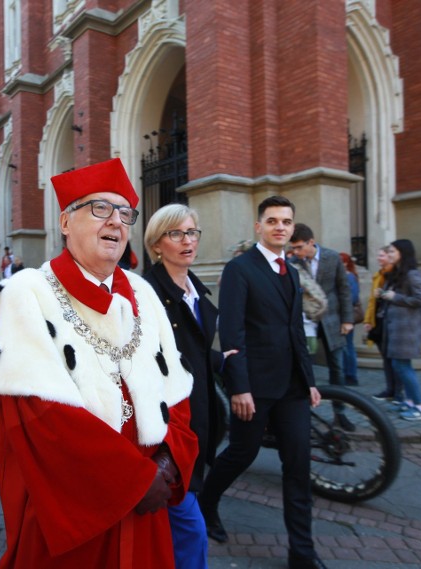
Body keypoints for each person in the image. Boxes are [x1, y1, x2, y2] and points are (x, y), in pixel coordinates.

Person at [0, 157, 199, 568]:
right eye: (100, 208)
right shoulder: (27, 293)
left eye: (124, 213)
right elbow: (38, 415)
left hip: (148, 503)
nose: (116, 222)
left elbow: (173, 389)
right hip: (74, 508)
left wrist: (166, 463)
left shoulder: (142, 293)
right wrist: (134, 482)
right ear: (66, 222)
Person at [198, 195, 328, 569]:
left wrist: (310, 380)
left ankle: (302, 552)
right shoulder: (241, 269)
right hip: (254, 386)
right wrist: (239, 387)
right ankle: (207, 501)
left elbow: (296, 331)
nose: (280, 228)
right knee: (242, 453)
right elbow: (232, 331)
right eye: (272, 221)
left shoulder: (290, 270)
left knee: (298, 465)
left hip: (293, 388)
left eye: (286, 222)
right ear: (260, 227)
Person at [143, 204, 236, 569]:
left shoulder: (196, 290)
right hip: (168, 429)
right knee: (190, 530)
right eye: (176, 234)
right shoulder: (146, 293)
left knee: (173, 528)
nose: (187, 241)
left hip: (199, 422)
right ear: (156, 244)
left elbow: (192, 352)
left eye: (192, 232)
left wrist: (224, 361)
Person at [288, 223, 354, 431]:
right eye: (294, 248)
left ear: (311, 242)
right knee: (304, 366)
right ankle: (304, 413)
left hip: (332, 321)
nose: (296, 252)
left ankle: (340, 413)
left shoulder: (332, 257)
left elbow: (343, 290)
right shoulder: (293, 263)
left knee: (337, 367)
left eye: (299, 247)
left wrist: (347, 320)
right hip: (305, 322)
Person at [376, 239, 421, 421]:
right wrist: (385, 295)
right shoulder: (399, 274)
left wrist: (395, 297)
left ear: (402, 253)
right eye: (388, 252)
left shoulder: (412, 274)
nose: (389, 255)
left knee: (402, 366)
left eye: (392, 252)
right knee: (399, 366)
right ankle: (410, 402)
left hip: (406, 330)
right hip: (396, 329)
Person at [365, 246, 400, 402]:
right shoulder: (378, 275)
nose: (379, 258)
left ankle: (399, 392)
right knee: (386, 358)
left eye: (383, 255)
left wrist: (383, 294)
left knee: (394, 360)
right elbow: (372, 302)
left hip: (392, 322)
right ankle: (390, 389)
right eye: (378, 255)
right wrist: (368, 320)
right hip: (379, 320)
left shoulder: (397, 275)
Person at [339, 252, 361, 386]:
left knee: (348, 346)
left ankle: (351, 375)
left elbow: (352, 297)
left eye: (341, 262)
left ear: (346, 263)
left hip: (347, 316)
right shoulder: (343, 276)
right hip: (340, 315)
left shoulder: (350, 277)